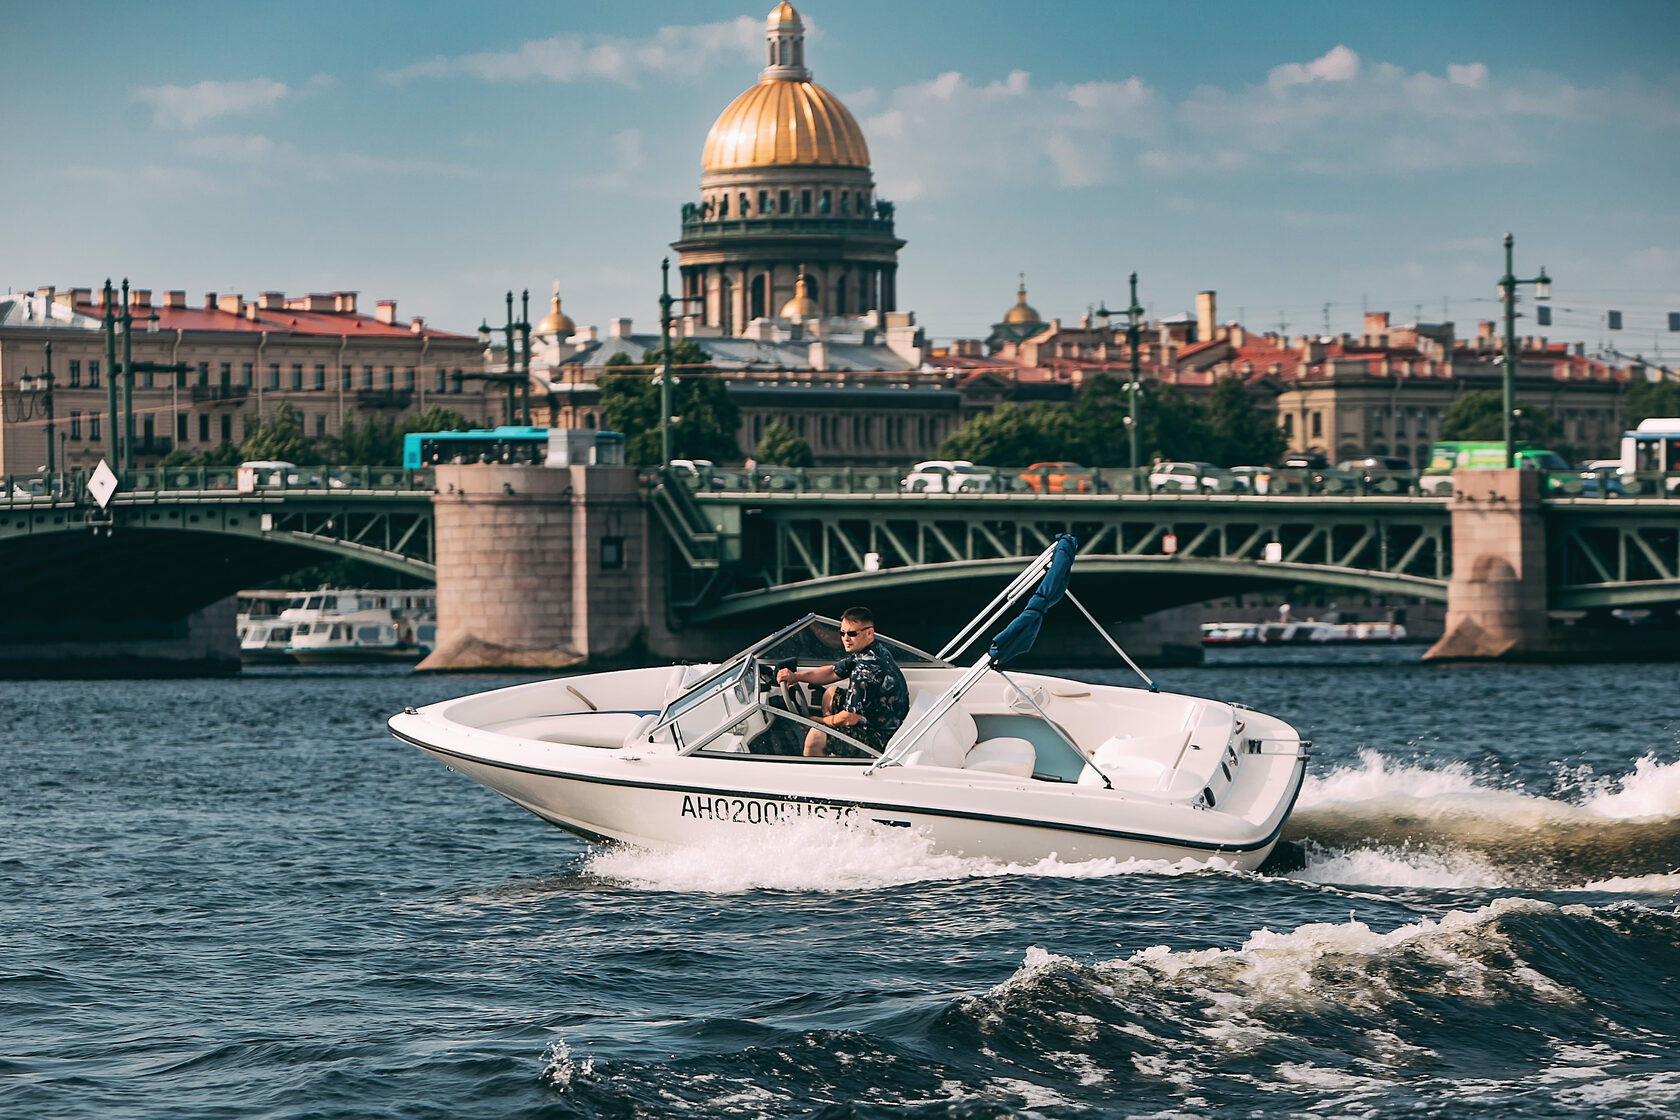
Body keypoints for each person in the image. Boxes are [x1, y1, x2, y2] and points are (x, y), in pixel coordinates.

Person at [775, 607, 908, 758]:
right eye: (842, 633)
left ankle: (817, 770)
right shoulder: (870, 651)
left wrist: (817, 722)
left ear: (869, 633)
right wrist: (796, 676)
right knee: (830, 694)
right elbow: (832, 672)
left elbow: (850, 718)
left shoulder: (866, 670)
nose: (845, 638)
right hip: (879, 716)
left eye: (852, 633)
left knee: (816, 737)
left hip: (881, 738)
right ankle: (833, 745)